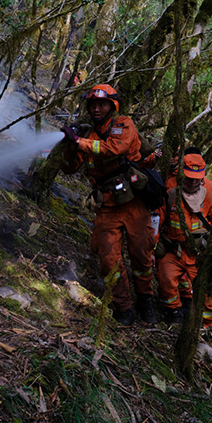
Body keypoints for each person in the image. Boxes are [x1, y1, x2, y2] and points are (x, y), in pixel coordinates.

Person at [61, 84, 157, 325]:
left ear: (112, 106)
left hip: (134, 203)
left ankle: (146, 301)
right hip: (106, 205)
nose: (96, 109)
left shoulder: (123, 124)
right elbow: (70, 168)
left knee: (141, 255)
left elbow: (115, 148)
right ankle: (123, 307)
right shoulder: (87, 135)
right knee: (108, 259)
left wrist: (80, 142)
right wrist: (71, 145)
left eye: (102, 104)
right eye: (92, 105)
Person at [156, 152, 212, 338]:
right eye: (189, 178)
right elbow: (157, 222)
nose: (193, 182)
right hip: (174, 252)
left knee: (208, 292)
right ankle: (175, 313)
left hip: (199, 256)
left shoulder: (209, 198)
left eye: (197, 179)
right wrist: (152, 246)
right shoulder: (172, 195)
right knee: (166, 278)